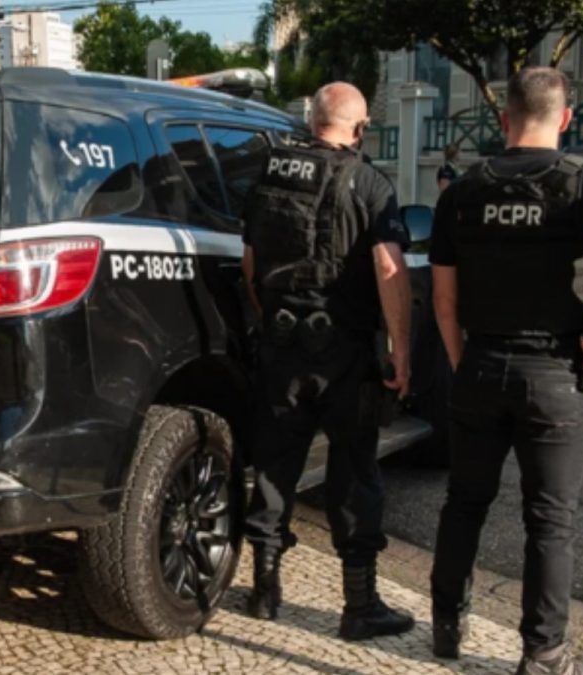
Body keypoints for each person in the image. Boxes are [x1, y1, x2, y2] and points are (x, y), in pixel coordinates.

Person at [428, 67, 583, 675]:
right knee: (550, 521)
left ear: (504, 119)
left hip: (479, 365)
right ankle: (544, 654)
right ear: (566, 118)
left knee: (464, 502)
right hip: (554, 373)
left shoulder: (462, 191)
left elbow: (444, 299)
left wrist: (461, 360)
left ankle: (445, 626)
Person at [241, 82, 415, 641]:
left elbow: (250, 264)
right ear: (359, 129)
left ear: (311, 121)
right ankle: (360, 606)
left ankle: (264, 591)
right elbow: (389, 268)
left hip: (280, 345)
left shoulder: (270, 174)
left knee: (275, 464)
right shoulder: (368, 182)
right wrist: (400, 350)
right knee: (354, 471)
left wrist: (270, 316)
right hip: (344, 352)